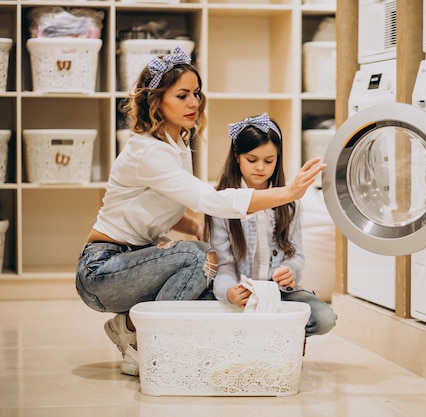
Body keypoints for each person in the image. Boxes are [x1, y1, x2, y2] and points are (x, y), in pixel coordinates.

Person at [75, 48, 325, 376]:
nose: (193, 103)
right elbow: (210, 199)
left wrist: (193, 226)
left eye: (196, 93)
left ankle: (132, 328)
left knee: (200, 265)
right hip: (102, 269)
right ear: (156, 101)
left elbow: (154, 205)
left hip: (133, 261)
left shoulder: (176, 143)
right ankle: (146, 343)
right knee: (198, 258)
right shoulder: (147, 151)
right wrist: (288, 193)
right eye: (182, 95)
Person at [206, 113, 337, 349]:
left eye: (269, 161)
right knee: (205, 313)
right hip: (239, 293)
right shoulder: (222, 201)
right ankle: (266, 336)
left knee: (325, 318)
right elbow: (222, 266)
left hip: (278, 294)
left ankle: (277, 337)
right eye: (252, 159)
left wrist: (291, 272)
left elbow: (296, 255)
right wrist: (230, 293)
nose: (260, 168)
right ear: (237, 157)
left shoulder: (289, 203)